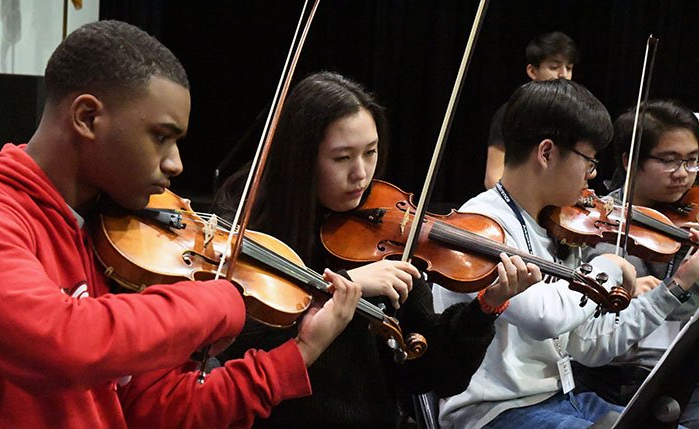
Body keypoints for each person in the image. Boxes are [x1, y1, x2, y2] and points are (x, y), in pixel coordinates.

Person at [0, 20, 364, 429]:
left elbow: (153, 411)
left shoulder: (112, 237)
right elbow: (62, 344)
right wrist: (217, 299)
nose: (177, 164)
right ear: (87, 117)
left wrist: (298, 354)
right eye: (161, 137)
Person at [215, 71, 541, 428]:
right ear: (302, 158)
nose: (361, 174)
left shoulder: (386, 238)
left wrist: (486, 307)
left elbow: (433, 375)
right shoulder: (251, 230)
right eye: (342, 158)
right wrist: (342, 285)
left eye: (370, 152)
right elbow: (236, 346)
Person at [434, 79, 699, 429]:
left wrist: (675, 287)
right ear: (546, 153)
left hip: (565, 398)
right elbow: (546, 317)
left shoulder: (558, 226)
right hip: (495, 412)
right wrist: (611, 265)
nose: (591, 178)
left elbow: (590, 346)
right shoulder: (478, 228)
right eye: (589, 161)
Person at [572, 99, 699, 428]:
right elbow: (589, 329)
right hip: (623, 382)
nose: (683, 175)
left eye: (692, 161)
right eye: (669, 161)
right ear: (630, 161)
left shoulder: (691, 216)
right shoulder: (595, 226)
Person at [484, 31, 579, 189]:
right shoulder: (511, 113)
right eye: (554, 67)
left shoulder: (574, 116)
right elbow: (493, 177)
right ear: (532, 71)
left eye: (569, 68)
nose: (564, 75)